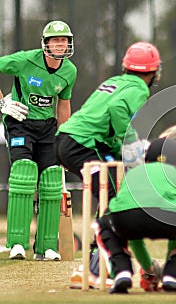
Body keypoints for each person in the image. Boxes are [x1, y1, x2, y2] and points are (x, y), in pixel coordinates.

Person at [54, 41, 161, 286]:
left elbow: (106, 125)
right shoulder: (139, 89)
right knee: (115, 200)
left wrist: (124, 150)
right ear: (153, 71)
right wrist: (133, 145)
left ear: (126, 65)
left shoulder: (115, 81)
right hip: (83, 144)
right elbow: (116, 110)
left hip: (65, 140)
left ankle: (102, 263)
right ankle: (94, 266)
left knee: (113, 197)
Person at [95, 138, 176, 294]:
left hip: (125, 220)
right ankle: (174, 275)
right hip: (167, 220)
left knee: (104, 223)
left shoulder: (133, 173)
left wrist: (149, 270)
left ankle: (121, 272)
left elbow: (133, 235)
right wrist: (169, 267)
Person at [0, 20, 77, 261]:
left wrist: (63, 141)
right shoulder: (25, 60)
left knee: (51, 180)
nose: (59, 44)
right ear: (45, 44)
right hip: (19, 122)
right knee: (24, 174)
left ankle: (46, 246)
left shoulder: (69, 71)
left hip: (47, 129)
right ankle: (17, 243)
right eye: (55, 40)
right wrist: (2, 103)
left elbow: (63, 106)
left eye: (63, 40)